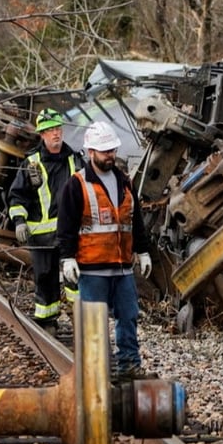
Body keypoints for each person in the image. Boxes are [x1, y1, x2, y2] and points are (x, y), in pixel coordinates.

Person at [56, 120, 153, 379]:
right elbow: (65, 225)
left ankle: (129, 365)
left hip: (122, 267)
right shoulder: (77, 184)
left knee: (129, 316)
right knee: (94, 324)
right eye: (104, 151)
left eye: (112, 150)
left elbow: (136, 220)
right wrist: (67, 258)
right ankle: (94, 372)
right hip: (93, 267)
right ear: (91, 152)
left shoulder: (124, 182)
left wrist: (142, 251)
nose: (110, 155)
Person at [7, 108, 82, 333]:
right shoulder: (31, 163)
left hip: (70, 233)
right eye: (50, 131)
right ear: (42, 135)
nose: (55, 134)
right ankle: (47, 322)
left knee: (76, 277)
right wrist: (19, 221)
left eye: (58, 129)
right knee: (45, 278)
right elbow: (17, 196)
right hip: (41, 236)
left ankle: (82, 319)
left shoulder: (74, 159)